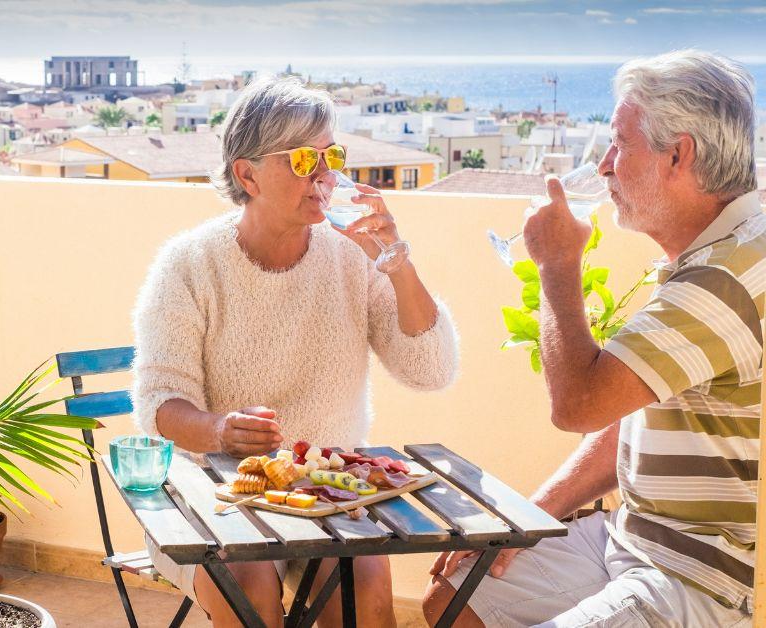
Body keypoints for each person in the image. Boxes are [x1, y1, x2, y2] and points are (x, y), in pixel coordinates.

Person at [424, 49, 760, 627]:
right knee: (456, 597)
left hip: (688, 574)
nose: (604, 166)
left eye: (618, 144)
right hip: (627, 538)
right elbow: (629, 408)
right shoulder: (709, 252)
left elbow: (579, 405)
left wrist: (557, 265)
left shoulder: (721, 280)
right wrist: (530, 515)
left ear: (678, 155)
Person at [131, 76, 460, 627]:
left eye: (331, 154)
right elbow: (159, 403)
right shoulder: (189, 263)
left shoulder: (355, 256)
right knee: (250, 587)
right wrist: (219, 432)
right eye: (304, 157)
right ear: (247, 174)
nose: (325, 173)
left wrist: (397, 263)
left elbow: (431, 370)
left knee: (364, 591)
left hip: (331, 494)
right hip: (218, 495)